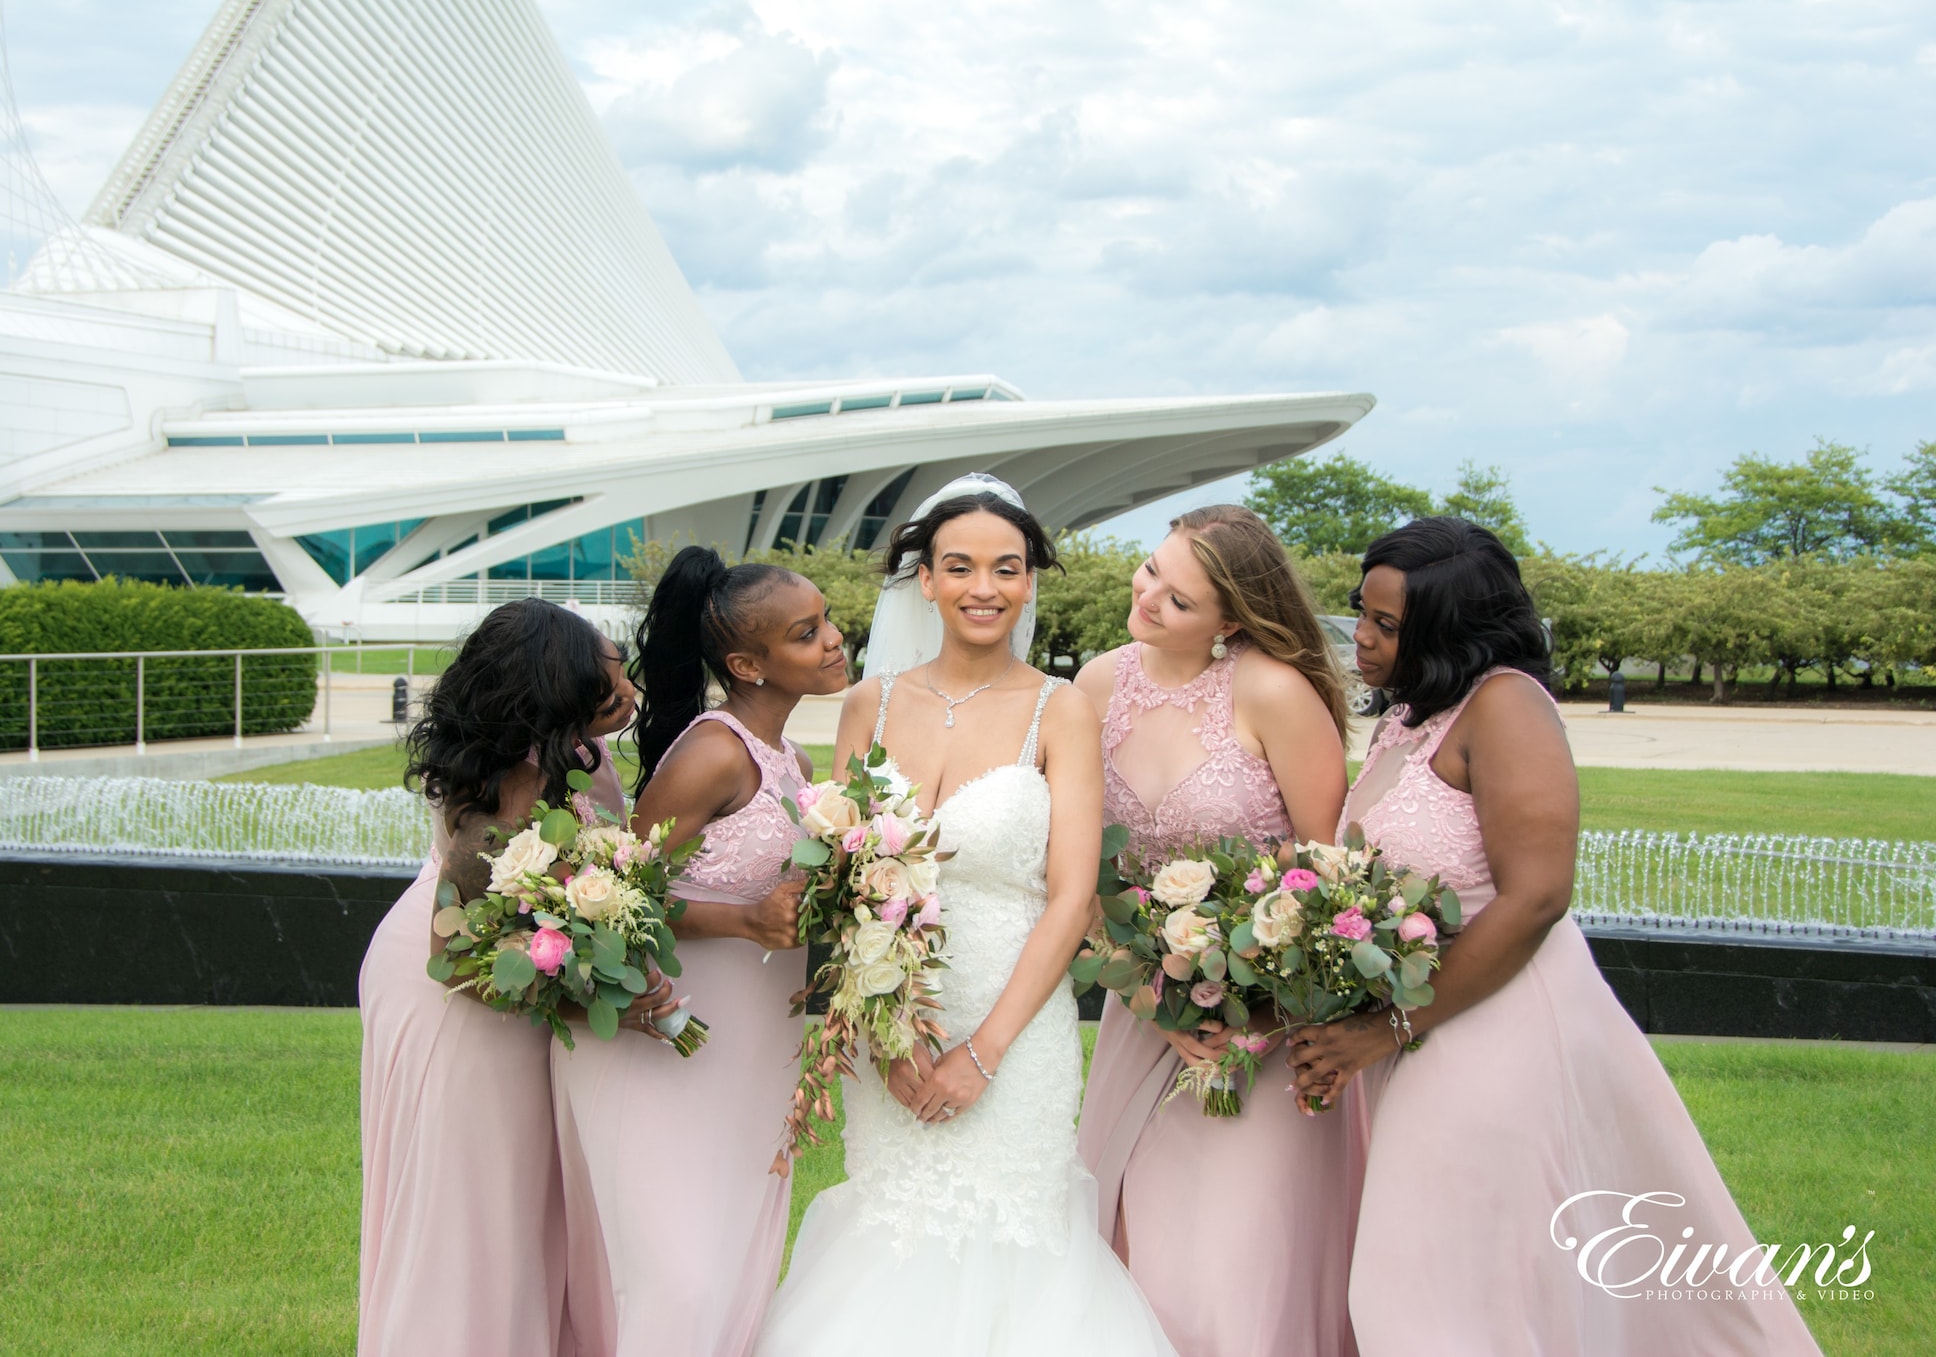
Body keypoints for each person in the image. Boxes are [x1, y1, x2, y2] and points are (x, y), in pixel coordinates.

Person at [1286, 518, 1822, 1356]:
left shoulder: (1506, 706)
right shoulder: (1411, 716)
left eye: (1387, 624)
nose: (1361, 635)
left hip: (1496, 1030)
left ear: (1449, 629)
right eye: (1364, 610)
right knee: (1439, 1280)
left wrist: (1384, 1027)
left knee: (1428, 1285)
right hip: (1421, 1031)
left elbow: (1537, 896)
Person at [756, 475, 1176, 1357]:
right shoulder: (868, 705)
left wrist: (983, 1051)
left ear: (1029, 582)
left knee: (1011, 1242)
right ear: (926, 581)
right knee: (895, 1229)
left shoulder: (1061, 708)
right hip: (894, 1029)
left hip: (1015, 1030)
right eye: (961, 567)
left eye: (1007, 568)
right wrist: (889, 1030)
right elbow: (850, 878)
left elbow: (1071, 897)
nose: (984, 587)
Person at [1074, 504, 1359, 1357]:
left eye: (1182, 597)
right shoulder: (1096, 685)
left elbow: (1333, 882)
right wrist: (1149, 998)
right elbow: (1079, 874)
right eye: (1152, 569)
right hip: (1143, 1010)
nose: (1150, 596)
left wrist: (1263, 1014)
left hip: (1266, 1030)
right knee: (1131, 1242)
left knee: (1231, 1261)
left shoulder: (1272, 690)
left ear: (1232, 618)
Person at [358, 598, 674, 1357]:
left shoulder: (571, 757)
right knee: (468, 1202)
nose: (619, 683)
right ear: (551, 682)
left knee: (525, 1201)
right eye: (599, 670)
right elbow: (455, 950)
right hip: (457, 994)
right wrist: (602, 995)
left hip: (509, 980)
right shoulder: (510, 777)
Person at [553, 547, 847, 1357]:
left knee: (733, 1257)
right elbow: (614, 899)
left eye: (826, 619)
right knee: (680, 1276)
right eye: (807, 631)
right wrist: (746, 920)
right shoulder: (712, 752)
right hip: (674, 1032)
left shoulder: (794, 761)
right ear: (748, 664)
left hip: (757, 1042)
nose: (833, 639)